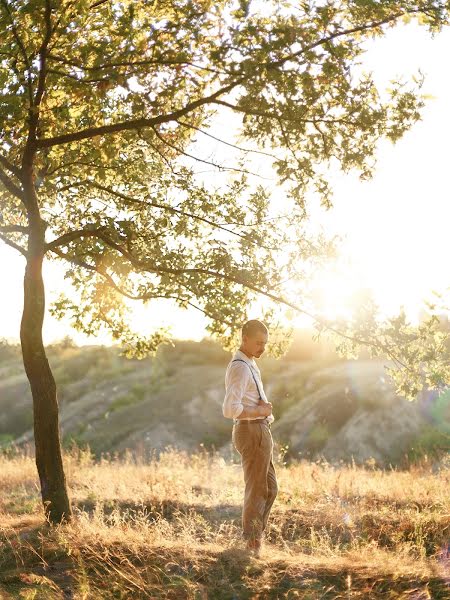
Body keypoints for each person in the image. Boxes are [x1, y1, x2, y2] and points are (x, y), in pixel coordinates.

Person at [222, 319, 278, 557]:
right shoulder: (240, 367)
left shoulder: (250, 363)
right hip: (251, 430)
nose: (262, 348)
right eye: (258, 343)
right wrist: (260, 411)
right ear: (244, 339)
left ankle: (255, 538)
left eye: (265, 343)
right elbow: (229, 409)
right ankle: (252, 544)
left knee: (271, 488)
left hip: (260, 430)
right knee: (256, 490)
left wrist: (263, 412)